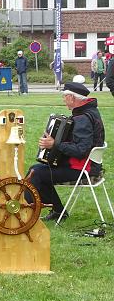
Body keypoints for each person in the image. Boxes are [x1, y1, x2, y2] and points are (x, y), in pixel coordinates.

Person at [25, 82, 105, 221]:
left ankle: (33, 211)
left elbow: (81, 150)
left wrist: (54, 144)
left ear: (71, 98)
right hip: (86, 165)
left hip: (84, 169)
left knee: (35, 174)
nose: (63, 100)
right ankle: (57, 211)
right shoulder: (89, 112)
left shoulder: (82, 119)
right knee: (36, 170)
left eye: (64, 96)